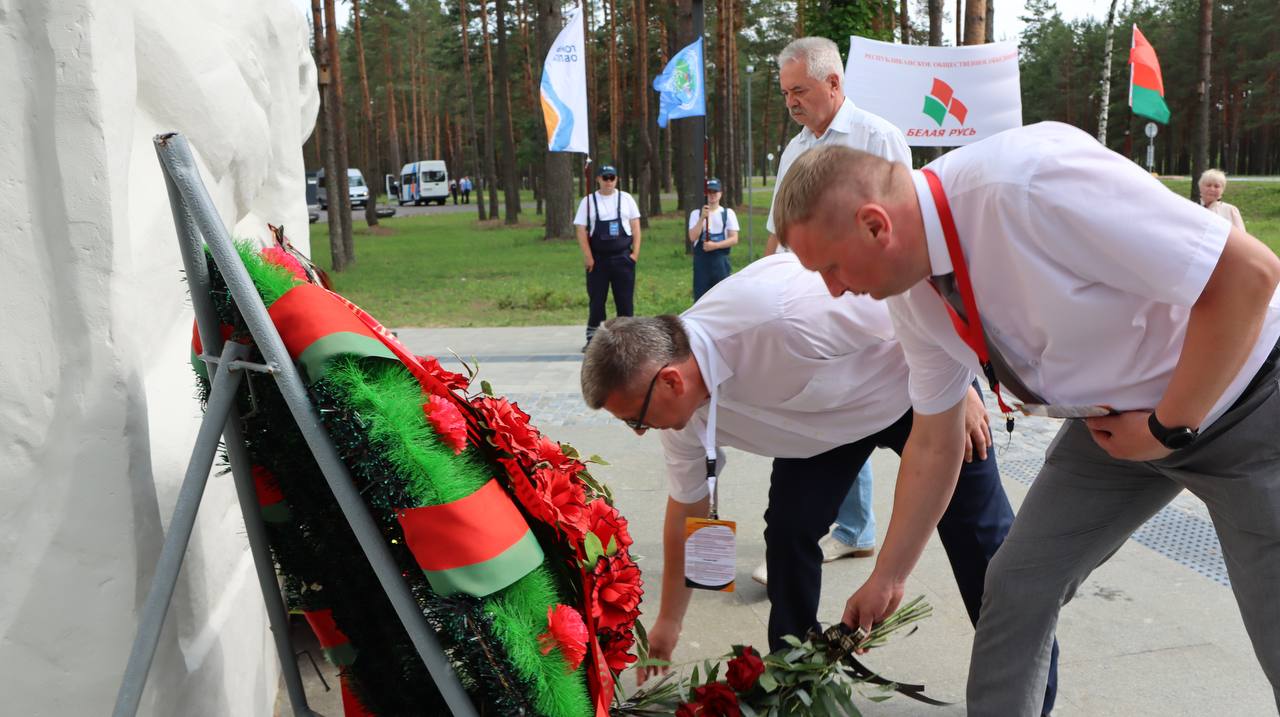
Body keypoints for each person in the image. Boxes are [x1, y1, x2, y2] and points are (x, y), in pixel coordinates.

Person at [772, 122, 1280, 715]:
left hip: (1242, 402)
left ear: (875, 225)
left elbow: (1250, 272)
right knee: (1015, 584)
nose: (833, 292)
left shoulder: (1028, 183)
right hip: (1117, 428)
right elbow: (936, 444)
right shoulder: (910, 290)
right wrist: (889, 575)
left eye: (830, 268)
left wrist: (1168, 427)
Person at [580, 254, 1059, 713]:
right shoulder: (679, 411)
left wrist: (961, 381)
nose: (641, 432)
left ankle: (1026, 699)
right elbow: (689, 506)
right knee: (788, 533)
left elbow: (914, 290)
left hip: (917, 394)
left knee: (986, 548)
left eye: (635, 421)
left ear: (669, 382)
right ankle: (794, 679)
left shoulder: (785, 314)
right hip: (822, 429)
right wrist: (668, 622)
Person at [756, 35, 913, 582]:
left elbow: (900, 232)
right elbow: (777, 233)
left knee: (865, 411)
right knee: (832, 411)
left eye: (799, 90)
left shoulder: (877, 136)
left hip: (867, 308)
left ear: (834, 82)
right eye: (785, 93)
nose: (792, 102)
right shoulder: (794, 150)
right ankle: (850, 528)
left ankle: (855, 530)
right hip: (809, 310)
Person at [574, 164, 643, 351]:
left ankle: (628, 339)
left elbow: (636, 227)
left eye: (612, 177)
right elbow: (581, 230)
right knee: (597, 301)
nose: (609, 182)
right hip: (598, 261)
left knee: (625, 301)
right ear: (598, 179)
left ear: (617, 179)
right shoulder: (588, 201)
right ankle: (595, 340)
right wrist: (588, 257)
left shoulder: (626, 199)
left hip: (623, 259)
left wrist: (634, 255)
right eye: (605, 178)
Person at [688, 178, 740, 301]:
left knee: (723, 298)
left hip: (721, 264)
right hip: (702, 265)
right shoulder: (696, 214)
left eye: (715, 192)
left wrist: (715, 246)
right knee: (701, 298)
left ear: (720, 193)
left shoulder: (727, 213)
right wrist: (702, 218)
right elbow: (692, 237)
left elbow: (734, 239)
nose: (712, 195)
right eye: (709, 192)